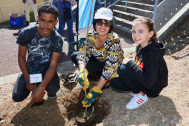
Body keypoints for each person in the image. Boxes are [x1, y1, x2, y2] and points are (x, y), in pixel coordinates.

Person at [110, 17, 168, 109]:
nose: (136, 35)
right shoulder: (141, 46)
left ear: (150, 34)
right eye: (134, 31)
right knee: (115, 83)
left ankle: (141, 96)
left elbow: (149, 83)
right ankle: (137, 89)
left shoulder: (152, 54)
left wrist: (131, 64)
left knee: (122, 69)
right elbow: (139, 65)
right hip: (144, 79)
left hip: (152, 88)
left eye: (141, 31)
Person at [71, 8, 124, 108]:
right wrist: (82, 71)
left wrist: (96, 90)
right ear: (95, 24)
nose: (103, 27)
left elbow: (110, 67)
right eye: (100, 22)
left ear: (110, 25)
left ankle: (106, 81)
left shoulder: (114, 41)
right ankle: (97, 77)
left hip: (113, 65)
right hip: (99, 60)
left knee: (106, 74)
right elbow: (83, 53)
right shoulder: (90, 36)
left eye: (106, 23)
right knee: (75, 56)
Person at [12, 4, 63, 105]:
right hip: (31, 70)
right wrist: (28, 79)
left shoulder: (57, 39)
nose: (45, 25)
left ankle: (47, 89)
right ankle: (23, 77)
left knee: (53, 88)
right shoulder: (26, 33)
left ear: (56, 22)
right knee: (17, 97)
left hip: (47, 70)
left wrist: (41, 87)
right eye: (43, 20)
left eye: (50, 21)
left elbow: (53, 66)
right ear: (38, 18)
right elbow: (21, 57)